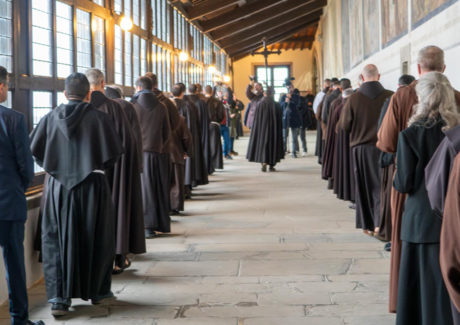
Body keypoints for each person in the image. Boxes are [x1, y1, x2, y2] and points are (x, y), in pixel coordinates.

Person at [30, 73, 123, 315]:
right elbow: (112, 155)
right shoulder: (100, 119)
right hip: (93, 184)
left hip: (58, 188)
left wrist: (60, 169)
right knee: (98, 236)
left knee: (56, 240)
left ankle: (59, 299)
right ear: (89, 94)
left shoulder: (49, 118)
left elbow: (37, 153)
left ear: (64, 93)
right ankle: (98, 292)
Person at [377, 45, 458, 313]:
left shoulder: (409, 129)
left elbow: (402, 177)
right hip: (454, 211)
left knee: (418, 279)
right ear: (445, 70)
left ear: (418, 71)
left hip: (419, 216)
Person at [393, 72, 455, 325]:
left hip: (420, 220)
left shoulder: (409, 135)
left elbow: (403, 183)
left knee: (419, 289)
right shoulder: (456, 132)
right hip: (452, 219)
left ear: (421, 97)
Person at [86, 69, 146, 274]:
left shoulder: (76, 109)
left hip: (84, 175)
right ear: (103, 83)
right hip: (114, 173)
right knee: (115, 213)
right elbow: (128, 143)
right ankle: (117, 258)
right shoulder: (116, 108)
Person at [0, 66, 43, 325]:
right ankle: (19, 319)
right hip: (8, 202)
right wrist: (21, 185)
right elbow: (26, 167)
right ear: (1, 86)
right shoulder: (13, 119)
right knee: (14, 262)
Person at [338, 64, 393, 236]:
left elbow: (344, 126)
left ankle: (368, 225)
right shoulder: (391, 96)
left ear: (362, 78)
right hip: (386, 148)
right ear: (379, 76)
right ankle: (381, 224)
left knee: (364, 187)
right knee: (383, 187)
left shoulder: (354, 99)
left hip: (361, 150)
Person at [144, 73, 192, 215]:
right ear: (157, 84)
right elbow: (177, 124)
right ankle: (172, 206)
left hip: (146, 150)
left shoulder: (137, 103)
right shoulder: (166, 103)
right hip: (169, 147)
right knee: (173, 180)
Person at [377, 74, 416, 246]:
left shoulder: (396, 98)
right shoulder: (454, 96)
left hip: (401, 160)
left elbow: (385, 138)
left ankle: (395, 239)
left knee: (399, 202)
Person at [131, 76, 171, 238]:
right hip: (158, 153)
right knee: (158, 189)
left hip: (140, 155)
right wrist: (161, 147)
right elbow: (167, 132)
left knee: (144, 190)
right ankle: (160, 223)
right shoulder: (161, 106)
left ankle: (146, 226)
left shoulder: (133, 106)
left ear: (138, 88)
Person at [173, 83, 208, 197]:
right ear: (183, 92)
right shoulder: (189, 106)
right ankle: (188, 184)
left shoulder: (168, 106)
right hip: (186, 137)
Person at [246, 86, 284, 172]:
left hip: (262, 129)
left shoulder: (260, 104)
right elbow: (279, 119)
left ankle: (263, 162)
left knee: (263, 144)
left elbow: (257, 120)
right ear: (272, 94)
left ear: (264, 93)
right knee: (273, 145)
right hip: (274, 130)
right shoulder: (276, 105)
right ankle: (271, 165)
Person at [322, 78, 351, 187]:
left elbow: (324, 116)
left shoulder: (332, 100)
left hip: (335, 133)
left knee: (336, 156)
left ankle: (334, 180)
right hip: (352, 137)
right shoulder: (355, 101)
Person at [331, 88, 355, 202]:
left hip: (342, 143)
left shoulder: (338, 108)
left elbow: (335, 127)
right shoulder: (355, 107)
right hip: (354, 142)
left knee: (345, 167)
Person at [187, 84, 211, 172]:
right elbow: (206, 119)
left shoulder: (185, 102)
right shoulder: (201, 103)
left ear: (188, 90)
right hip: (200, 131)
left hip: (188, 131)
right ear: (197, 91)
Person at [204, 85, 225, 173]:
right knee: (214, 145)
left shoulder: (202, 101)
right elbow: (221, 115)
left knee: (206, 145)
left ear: (204, 92)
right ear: (212, 92)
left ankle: (206, 165)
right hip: (215, 124)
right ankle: (214, 164)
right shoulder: (217, 102)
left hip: (205, 125)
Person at [314, 79, 331, 161]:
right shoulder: (321, 95)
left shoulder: (321, 95)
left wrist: (318, 116)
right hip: (324, 120)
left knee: (323, 138)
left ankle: (322, 156)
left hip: (322, 119)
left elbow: (316, 107)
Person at [283, 88, 303, 158]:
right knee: (284, 137)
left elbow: (298, 106)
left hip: (295, 120)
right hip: (286, 120)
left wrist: (290, 100)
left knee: (294, 138)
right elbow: (281, 106)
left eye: (290, 88)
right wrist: (285, 102)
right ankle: (283, 150)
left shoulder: (296, 97)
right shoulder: (283, 97)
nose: (290, 90)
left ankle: (294, 152)